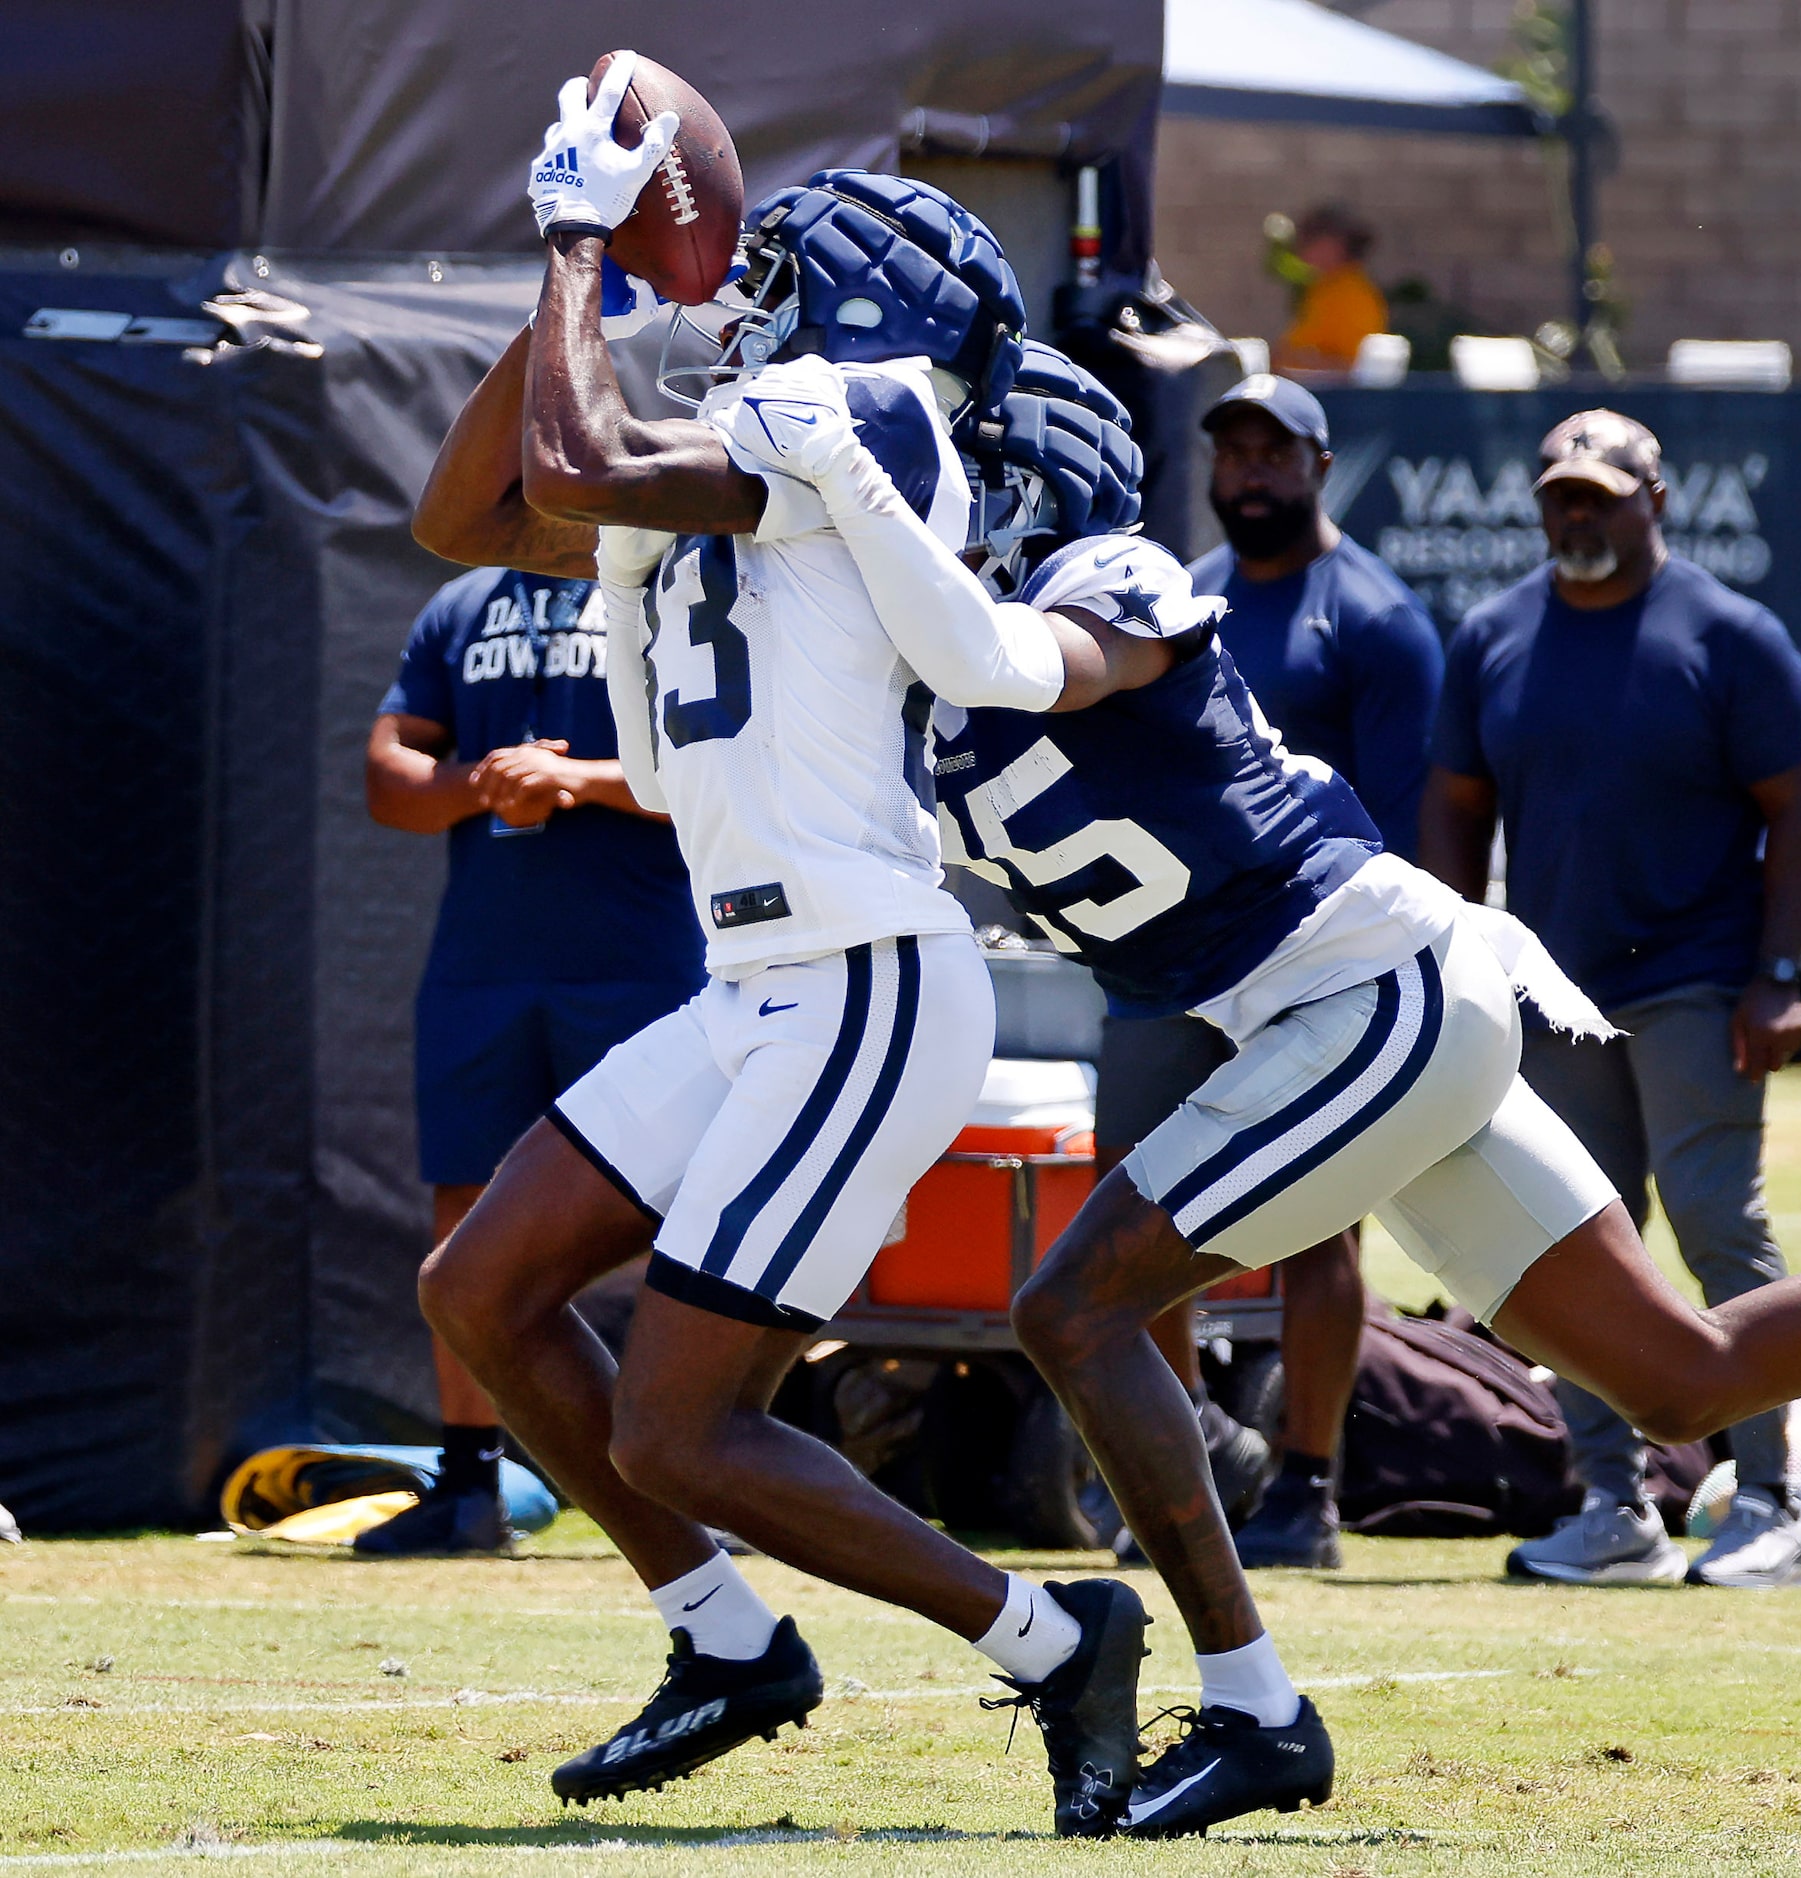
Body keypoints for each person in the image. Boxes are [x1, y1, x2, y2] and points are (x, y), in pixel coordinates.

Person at [781, 344, 1801, 1838]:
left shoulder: (1101, 582)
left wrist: (846, 482)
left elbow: (1002, 662)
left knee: (1071, 1306)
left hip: (1365, 992)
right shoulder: (940, 670)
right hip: (1347, 1015)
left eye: (956, 478)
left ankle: (1251, 1704)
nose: (937, 504)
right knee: (1680, 1375)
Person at [410, 81, 1145, 1837]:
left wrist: (586, 245)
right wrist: (584, 285)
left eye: (792, 261)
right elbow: (470, 516)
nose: (756, 278)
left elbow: (579, 465)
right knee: (478, 1289)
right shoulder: (734, 445)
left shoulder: (865, 414)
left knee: (678, 1425)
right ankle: (723, 1636)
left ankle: (1057, 1636)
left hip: (865, 979)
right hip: (755, 983)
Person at [1420, 410, 1801, 1592]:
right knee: (1565, 1253)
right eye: (1561, 493)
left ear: (1655, 499)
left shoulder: (1729, 635)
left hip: (1697, 987)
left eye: (1600, 494)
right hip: (1551, 1001)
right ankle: (1615, 1505)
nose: (1577, 512)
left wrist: (1776, 973)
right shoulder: (1495, 635)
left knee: (1715, 1230)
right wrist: (1459, 962)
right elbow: (1453, 805)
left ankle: (1766, 1501)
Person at [1107, 374, 1441, 1569]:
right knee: (1138, 1225)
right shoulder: (1174, 596)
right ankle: (1180, 1479)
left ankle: (1308, 1488)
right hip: (1162, 959)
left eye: (1272, 452)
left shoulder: (1374, 617)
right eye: (1230, 451)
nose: (1248, 472)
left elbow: (1405, 820)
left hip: (1306, 959)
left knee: (1317, 1227)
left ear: (1317, 463)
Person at [363, 563, 704, 1556]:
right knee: (465, 1205)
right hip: (484, 964)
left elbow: (721, 768)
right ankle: (468, 1485)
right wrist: (484, 780)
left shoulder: (667, 584)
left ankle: (700, 1460)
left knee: (689, 1208)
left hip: (643, 961)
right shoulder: (459, 605)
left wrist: (579, 780)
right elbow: (389, 778)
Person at [1274, 204, 1387, 377]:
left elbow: (1353, 367)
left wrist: (1299, 367)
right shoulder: (1321, 288)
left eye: (1309, 241)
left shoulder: (1354, 295)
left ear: (1334, 244)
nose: (1300, 250)